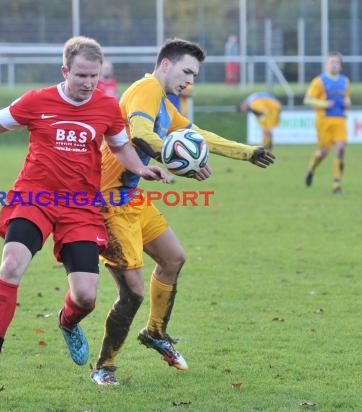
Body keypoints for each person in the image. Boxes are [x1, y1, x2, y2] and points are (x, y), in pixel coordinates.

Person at [0, 36, 170, 385]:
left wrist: (141, 169)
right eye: (81, 75)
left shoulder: (107, 107)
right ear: (65, 70)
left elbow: (121, 147)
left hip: (80, 207)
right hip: (33, 198)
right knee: (11, 264)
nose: (88, 83)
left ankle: (67, 321)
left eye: (94, 76)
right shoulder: (38, 101)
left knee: (85, 295)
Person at [90, 38, 275, 385]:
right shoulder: (145, 88)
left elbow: (196, 134)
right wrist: (175, 158)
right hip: (106, 203)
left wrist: (245, 152)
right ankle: (105, 366)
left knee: (173, 258)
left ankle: (155, 332)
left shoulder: (164, 101)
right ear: (165, 64)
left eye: (194, 74)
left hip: (131, 197)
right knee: (132, 293)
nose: (189, 80)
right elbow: (142, 135)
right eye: (186, 71)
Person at [304, 52, 351, 194]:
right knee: (323, 152)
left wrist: (347, 103)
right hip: (324, 121)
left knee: (341, 148)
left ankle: (337, 184)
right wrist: (324, 103)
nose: (334, 64)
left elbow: (346, 100)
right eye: (331, 62)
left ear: (341, 65)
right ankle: (312, 167)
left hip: (340, 120)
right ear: (326, 64)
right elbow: (308, 100)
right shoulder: (319, 81)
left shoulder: (345, 81)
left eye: (336, 62)